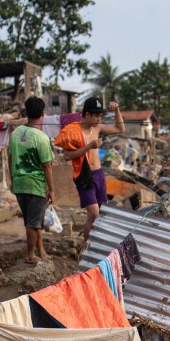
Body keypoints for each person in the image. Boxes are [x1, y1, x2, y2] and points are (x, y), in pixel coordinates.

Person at [53, 97, 125, 242]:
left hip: (99, 174)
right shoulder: (73, 130)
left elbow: (120, 128)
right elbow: (67, 156)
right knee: (93, 213)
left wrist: (117, 110)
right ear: (87, 114)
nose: (99, 119)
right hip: (84, 175)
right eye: (96, 116)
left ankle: (94, 244)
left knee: (101, 215)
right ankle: (86, 246)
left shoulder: (97, 128)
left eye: (100, 116)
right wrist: (88, 147)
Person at [8, 97, 55, 264]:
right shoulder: (42, 137)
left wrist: (12, 179)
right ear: (42, 115)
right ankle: (30, 255)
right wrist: (51, 189)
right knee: (33, 223)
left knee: (32, 221)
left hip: (19, 184)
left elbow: (10, 157)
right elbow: (47, 166)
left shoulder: (15, 133)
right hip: (36, 185)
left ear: (26, 112)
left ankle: (40, 250)